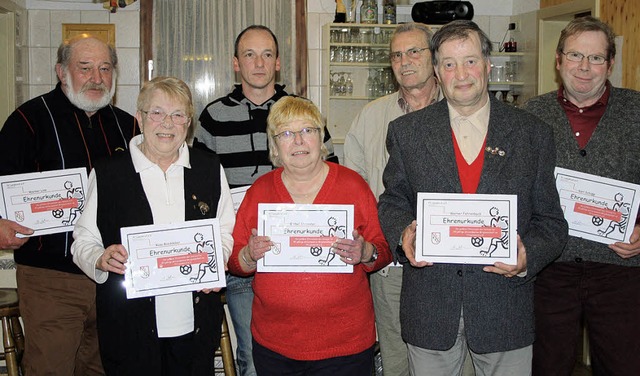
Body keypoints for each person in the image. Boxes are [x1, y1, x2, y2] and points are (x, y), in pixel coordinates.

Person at [377, 20, 568, 375]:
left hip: (504, 307)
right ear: (436, 71)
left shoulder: (532, 134)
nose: (460, 73)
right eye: (448, 63)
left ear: (487, 64)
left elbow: (551, 222)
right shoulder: (407, 133)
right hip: (431, 308)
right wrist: (404, 236)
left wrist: (527, 256)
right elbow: (392, 202)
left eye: (469, 61)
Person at [192, 24, 337, 376]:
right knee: (254, 358)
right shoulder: (213, 116)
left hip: (299, 254)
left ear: (278, 63)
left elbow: (332, 174)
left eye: (267, 55)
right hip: (243, 258)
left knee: (309, 355)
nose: (258, 63)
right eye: (249, 55)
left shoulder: (301, 112)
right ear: (236, 64)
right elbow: (197, 189)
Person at [71, 76, 235, 375]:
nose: (167, 124)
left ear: (189, 122)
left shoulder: (208, 168)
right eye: (157, 113)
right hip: (128, 325)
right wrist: (100, 257)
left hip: (194, 322)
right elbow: (82, 240)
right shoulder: (109, 173)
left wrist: (216, 262)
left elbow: (224, 231)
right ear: (140, 118)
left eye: (177, 115)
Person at [0, 35, 137, 375]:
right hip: (51, 278)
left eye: (105, 68)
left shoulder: (128, 128)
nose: (97, 77)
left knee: (103, 367)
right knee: (51, 368)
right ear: (62, 72)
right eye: (85, 67)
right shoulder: (28, 120)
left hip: (112, 279)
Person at [227, 96, 391, 375]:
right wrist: (248, 254)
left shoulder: (353, 186)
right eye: (287, 134)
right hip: (275, 345)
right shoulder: (260, 191)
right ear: (275, 145)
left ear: (320, 138)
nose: (299, 141)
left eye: (307, 131)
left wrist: (365, 253)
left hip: (345, 346)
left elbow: (382, 251)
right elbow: (235, 262)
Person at [521, 16, 640, 375]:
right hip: (550, 270)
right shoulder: (531, 115)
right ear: (558, 61)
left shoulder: (637, 111)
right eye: (574, 56)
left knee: (625, 366)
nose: (584, 67)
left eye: (596, 58)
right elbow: (519, 188)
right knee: (548, 367)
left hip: (620, 270)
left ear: (611, 64)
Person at [343, 22, 441, 376]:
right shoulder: (370, 117)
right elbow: (353, 190)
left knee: (453, 361)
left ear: (434, 57)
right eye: (397, 55)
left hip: (452, 264)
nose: (406, 61)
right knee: (397, 360)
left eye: (415, 51)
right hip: (392, 265)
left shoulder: (461, 110)